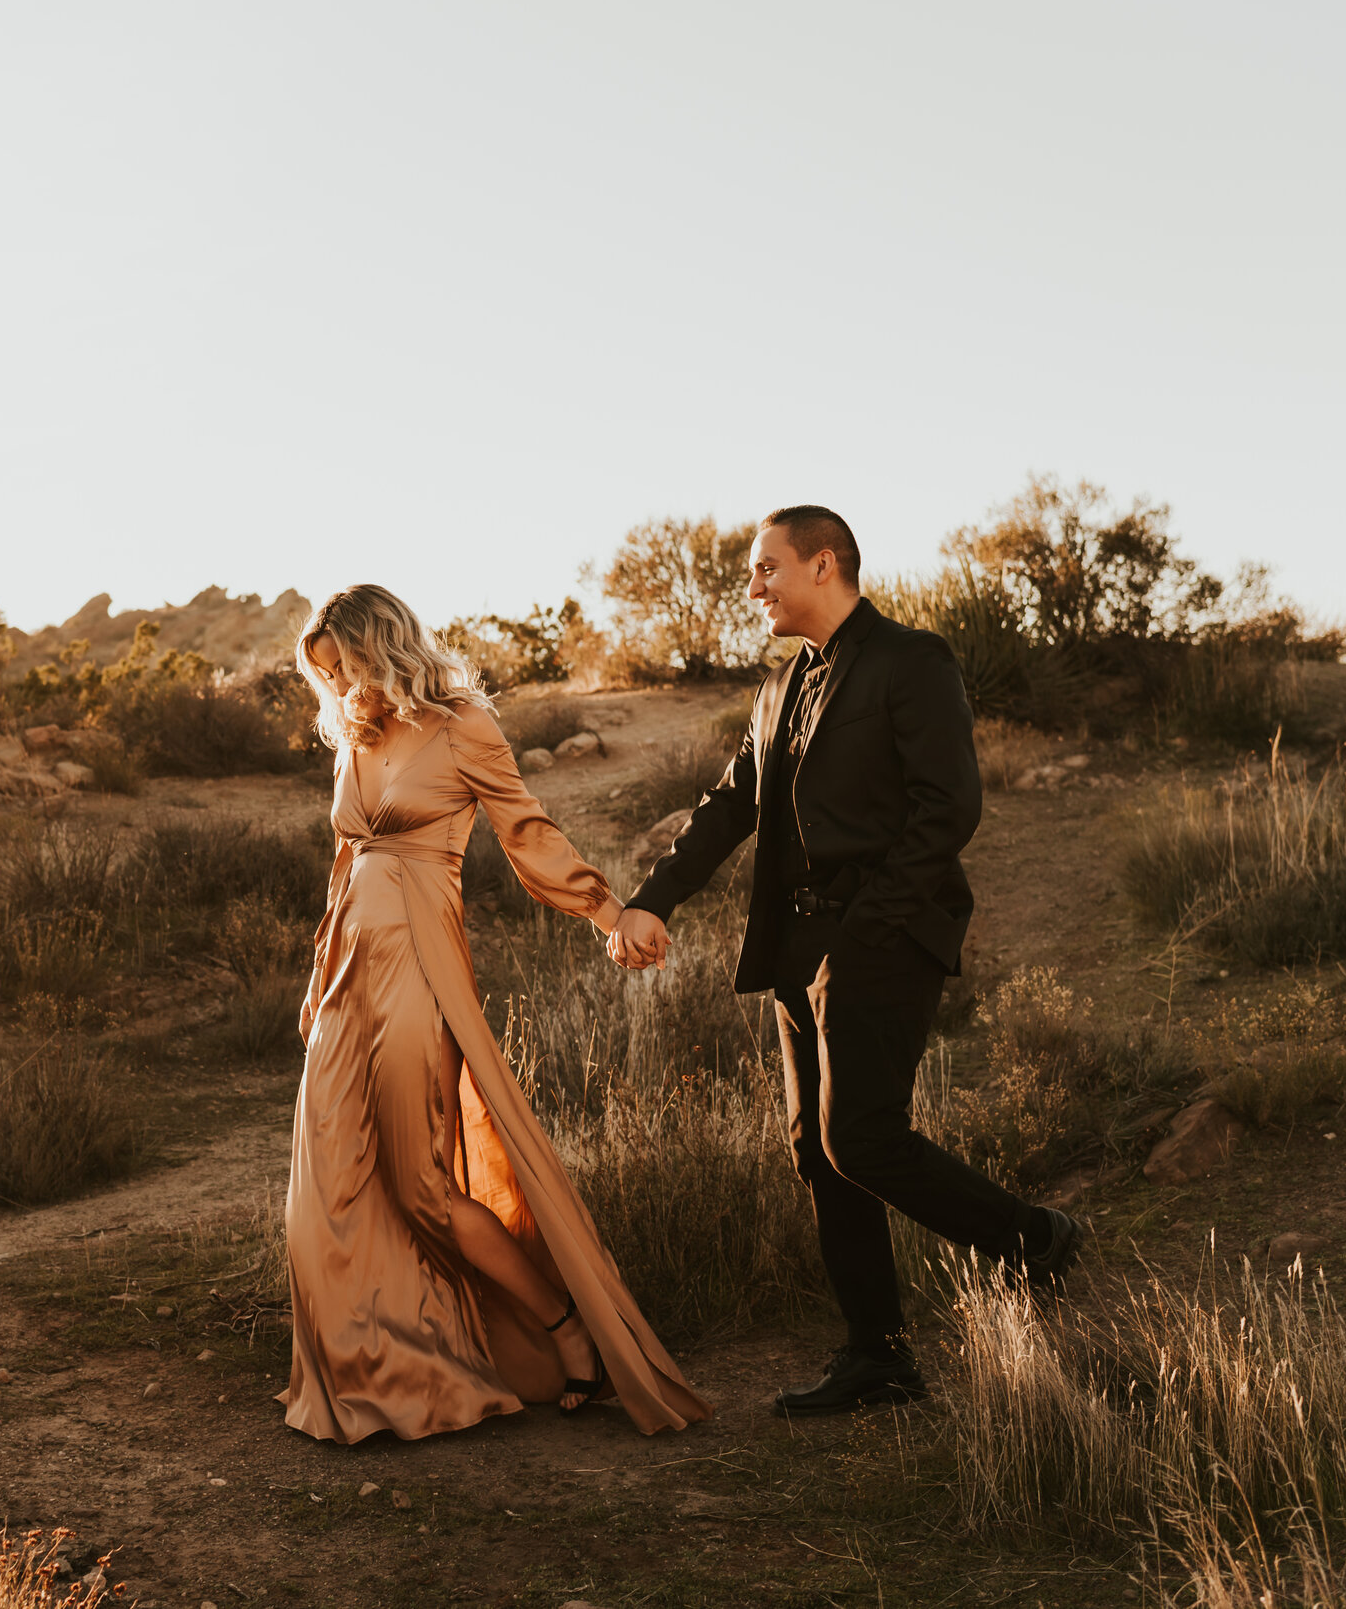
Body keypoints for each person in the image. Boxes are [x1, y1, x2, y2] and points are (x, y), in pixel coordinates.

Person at [606, 506, 1089, 1417]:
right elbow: (728, 806)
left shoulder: (914, 662)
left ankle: (1033, 1240)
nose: (753, 586)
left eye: (765, 569)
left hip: (881, 937)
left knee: (861, 1136)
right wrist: (649, 899)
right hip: (795, 949)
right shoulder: (777, 687)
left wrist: (866, 930)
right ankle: (881, 1358)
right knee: (817, 1155)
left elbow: (948, 809)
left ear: (823, 563)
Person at [278, 584, 710, 1444]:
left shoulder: (462, 724)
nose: (340, 689)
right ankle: (375, 1368)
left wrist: (607, 910)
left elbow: (528, 832)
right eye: (326, 677)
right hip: (345, 979)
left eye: (348, 668)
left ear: (385, 648)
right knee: (323, 1185)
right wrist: (319, 975)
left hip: (417, 973)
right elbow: (346, 861)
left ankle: (561, 1324)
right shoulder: (357, 733)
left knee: (422, 1188)